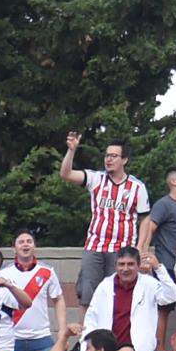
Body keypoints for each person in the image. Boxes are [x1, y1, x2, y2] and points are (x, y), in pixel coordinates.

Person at [61, 132, 149, 316]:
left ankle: (112, 340)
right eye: (107, 155)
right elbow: (66, 174)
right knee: (87, 295)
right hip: (95, 245)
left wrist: (140, 248)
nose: (108, 159)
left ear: (124, 160)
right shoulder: (96, 179)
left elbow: (145, 219)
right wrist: (71, 151)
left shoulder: (137, 187)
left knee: (117, 296)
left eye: (114, 156)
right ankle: (86, 341)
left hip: (122, 249)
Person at [80, 247, 176, 351]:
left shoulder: (149, 284)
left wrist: (158, 268)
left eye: (130, 264)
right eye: (121, 264)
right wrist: (85, 348)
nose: (125, 269)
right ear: (115, 266)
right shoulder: (105, 286)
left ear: (138, 265)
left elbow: (171, 296)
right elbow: (91, 320)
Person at [143, 167, 176, 351]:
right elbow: (150, 227)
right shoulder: (163, 204)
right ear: (173, 182)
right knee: (163, 310)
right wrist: (145, 255)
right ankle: (160, 350)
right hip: (166, 266)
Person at [0, 230, 66, 351]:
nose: (25, 245)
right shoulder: (3, 273)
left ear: (34, 246)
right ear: (14, 248)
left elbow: (58, 299)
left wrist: (62, 330)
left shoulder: (47, 271)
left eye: (29, 242)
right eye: (21, 242)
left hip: (41, 338)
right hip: (12, 338)